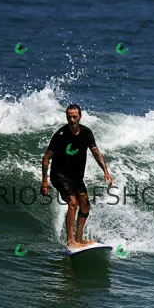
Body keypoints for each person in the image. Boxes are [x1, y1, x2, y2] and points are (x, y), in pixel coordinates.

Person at [40, 104, 113, 248]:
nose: (72, 120)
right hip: (59, 175)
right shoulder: (61, 135)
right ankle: (70, 241)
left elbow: (96, 152)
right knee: (73, 202)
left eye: (74, 117)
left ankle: (79, 238)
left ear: (80, 116)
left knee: (85, 206)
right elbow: (46, 158)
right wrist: (45, 181)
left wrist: (105, 171)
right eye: (69, 117)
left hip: (76, 177)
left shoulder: (86, 133)